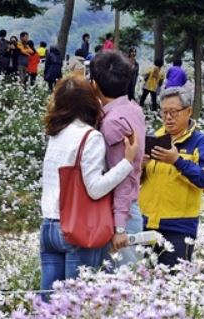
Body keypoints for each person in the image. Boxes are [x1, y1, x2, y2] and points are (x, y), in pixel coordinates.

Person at [40, 76, 139, 299]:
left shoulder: (56, 134)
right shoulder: (90, 136)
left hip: (48, 226)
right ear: (89, 101)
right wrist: (127, 162)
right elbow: (94, 188)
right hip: (76, 229)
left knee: (47, 304)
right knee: (76, 304)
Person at [139, 86, 204, 266]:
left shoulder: (201, 142)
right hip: (147, 222)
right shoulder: (153, 138)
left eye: (173, 112)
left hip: (179, 228)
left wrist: (177, 161)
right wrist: (140, 167)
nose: (168, 117)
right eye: (164, 112)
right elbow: (139, 181)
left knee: (171, 285)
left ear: (188, 111)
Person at [90, 51, 147, 268]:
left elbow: (123, 175)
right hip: (129, 208)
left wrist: (120, 227)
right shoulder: (133, 109)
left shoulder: (113, 122)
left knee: (120, 287)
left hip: (121, 213)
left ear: (95, 85)